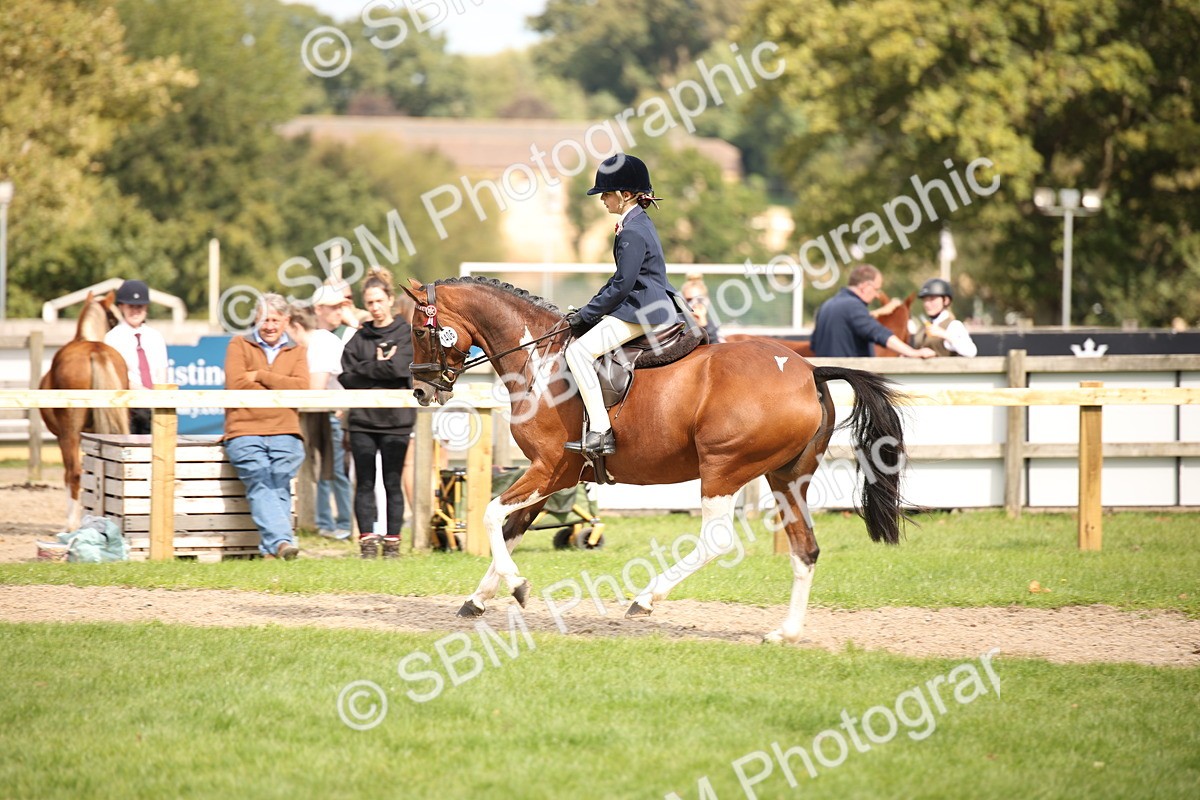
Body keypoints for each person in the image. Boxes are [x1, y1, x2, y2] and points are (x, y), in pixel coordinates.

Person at [563, 153, 681, 458]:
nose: (602, 199)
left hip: (641, 310)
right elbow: (619, 279)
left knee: (577, 352)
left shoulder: (631, 231)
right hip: (646, 303)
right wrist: (589, 309)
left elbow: (623, 284)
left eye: (607, 193)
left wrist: (587, 315)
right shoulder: (638, 222)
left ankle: (601, 431)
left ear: (625, 195)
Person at [223, 294, 310, 560]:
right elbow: (236, 383)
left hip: (286, 430)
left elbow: (301, 387)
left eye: (275, 319)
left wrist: (260, 376)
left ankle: (272, 551)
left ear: (286, 321)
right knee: (261, 479)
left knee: (278, 481)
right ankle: (283, 543)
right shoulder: (238, 344)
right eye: (264, 319)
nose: (269, 325)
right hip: (244, 429)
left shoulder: (297, 350)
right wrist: (280, 382)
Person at [338, 268, 415, 559]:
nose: (375, 307)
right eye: (369, 303)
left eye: (379, 301)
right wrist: (381, 366)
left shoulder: (406, 334)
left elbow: (400, 369)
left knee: (392, 481)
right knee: (365, 482)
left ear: (390, 300)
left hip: (397, 421)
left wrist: (367, 370)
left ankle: (393, 543)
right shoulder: (359, 337)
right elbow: (346, 376)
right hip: (362, 421)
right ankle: (368, 542)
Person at [288, 303, 353, 539]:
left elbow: (316, 386)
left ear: (296, 326)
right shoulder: (315, 343)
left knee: (334, 472)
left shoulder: (319, 343)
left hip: (332, 412)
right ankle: (325, 523)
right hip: (322, 411)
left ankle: (344, 525)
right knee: (323, 471)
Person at [811, 264, 936, 358]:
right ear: (865, 286)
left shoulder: (826, 306)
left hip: (825, 384)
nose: (877, 295)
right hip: (846, 381)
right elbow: (879, 333)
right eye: (876, 289)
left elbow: (814, 345)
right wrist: (913, 352)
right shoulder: (853, 306)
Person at [104, 279, 168, 434]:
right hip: (128, 407)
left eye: (139, 306)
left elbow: (162, 372)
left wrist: (159, 396)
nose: (135, 311)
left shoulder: (156, 337)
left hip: (155, 405)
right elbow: (117, 376)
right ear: (121, 307)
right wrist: (144, 393)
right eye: (131, 306)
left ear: (146, 308)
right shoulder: (112, 338)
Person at [909, 278, 977, 357]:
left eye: (932, 299)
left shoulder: (954, 325)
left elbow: (971, 351)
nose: (927, 304)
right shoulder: (923, 327)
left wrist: (945, 335)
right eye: (925, 300)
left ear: (946, 300)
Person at [681, 272, 724, 344]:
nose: (694, 304)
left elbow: (716, 349)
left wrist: (704, 326)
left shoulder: (711, 326)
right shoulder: (679, 324)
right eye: (689, 300)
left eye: (698, 299)